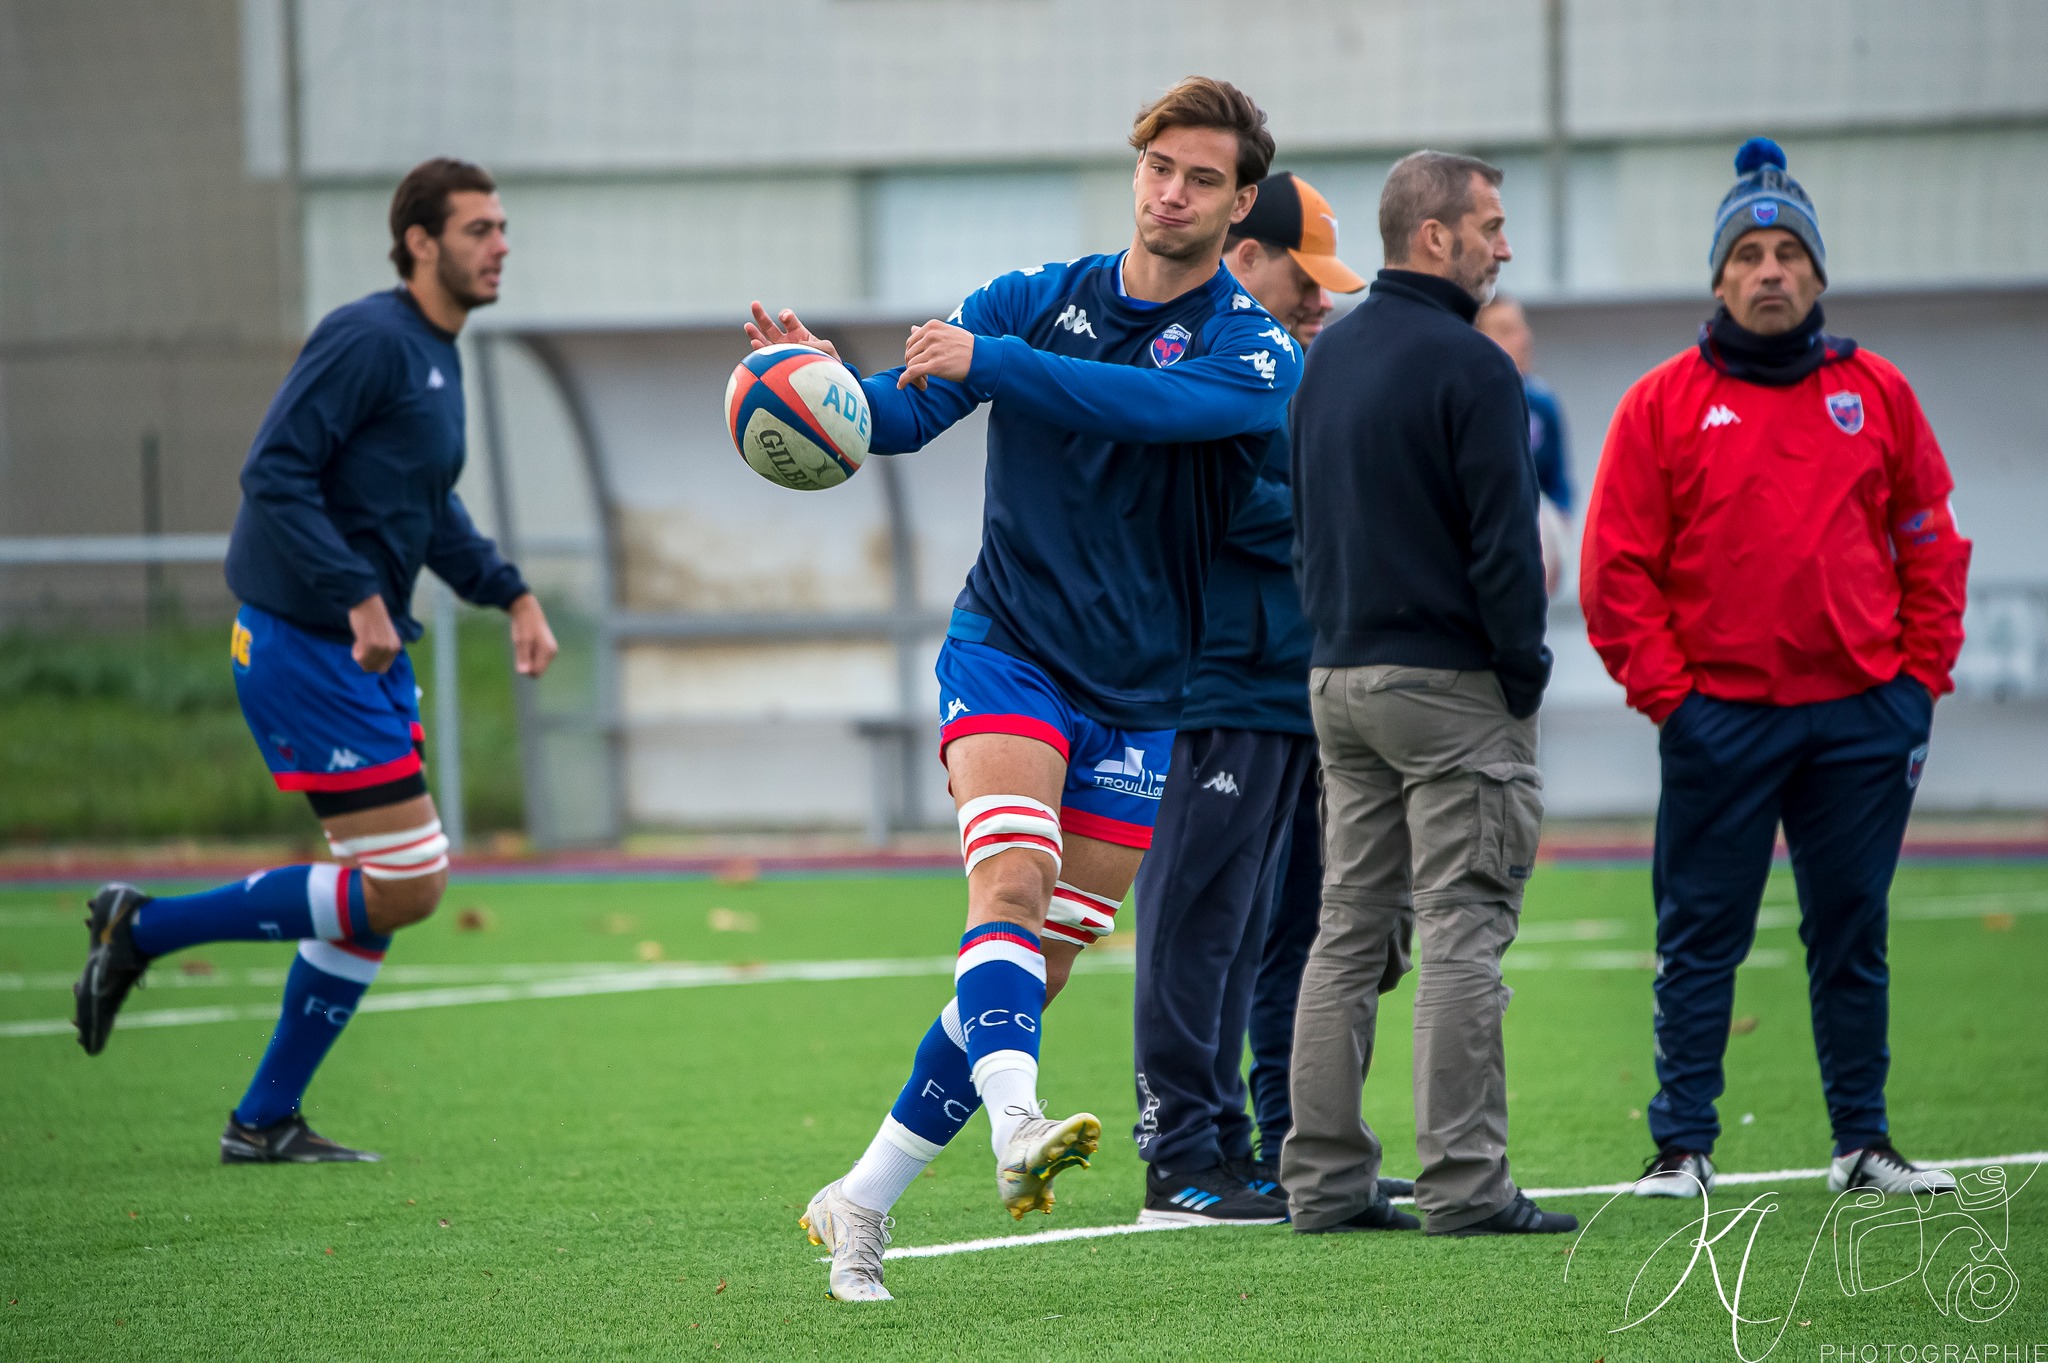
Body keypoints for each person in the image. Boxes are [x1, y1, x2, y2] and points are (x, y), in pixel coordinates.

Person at [746, 76, 1301, 1300]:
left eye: (1202, 179)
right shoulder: (1027, 299)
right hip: (1008, 649)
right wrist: (823, 393)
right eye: (1158, 166)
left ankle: (860, 1201)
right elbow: (899, 419)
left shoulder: (1254, 348)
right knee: (1010, 882)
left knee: (1029, 970)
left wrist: (996, 363)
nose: (1172, 192)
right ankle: (1017, 1126)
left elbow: (1152, 407)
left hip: (1140, 694)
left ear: (1238, 204)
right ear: (1136, 170)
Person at [71, 158, 559, 1162]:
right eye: (478, 228)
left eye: (502, 227)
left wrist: (510, 592)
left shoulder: (436, 353)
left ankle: (263, 1120)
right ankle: (142, 929)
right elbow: (274, 471)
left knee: (377, 889)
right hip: (305, 641)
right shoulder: (368, 337)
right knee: (411, 881)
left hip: (360, 651)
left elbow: (427, 508)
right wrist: (355, 593)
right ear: (419, 242)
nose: (500, 245)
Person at [1581, 138, 1970, 1200]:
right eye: (1747, 255)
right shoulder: (1660, 403)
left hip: (1861, 717)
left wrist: (1915, 684)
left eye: (1787, 254)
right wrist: (1673, 700)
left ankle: (1861, 1142)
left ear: (1816, 272)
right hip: (1720, 718)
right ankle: (1681, 1145)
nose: (1768, 271)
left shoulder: (1876, 392)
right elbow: (1614, 570)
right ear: (1717, 279)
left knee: (1852, 933)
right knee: (1699, 936)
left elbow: (1930, 541)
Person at [1286, 149, 1573, 1237]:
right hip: (1449, 686)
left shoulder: (1328, 356)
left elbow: (1308, 526)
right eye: (1490, 226)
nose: (1505, 246)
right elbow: (1506, 550)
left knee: (1347, 930)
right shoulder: (1475, 367)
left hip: (1337, 677)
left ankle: (1322, 1182)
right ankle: (1464, 1184)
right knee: (1462, 925)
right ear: (1434, 236)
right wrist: (1521, 673)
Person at [1127, 171, 1389, 1227]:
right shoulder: (1208, 357)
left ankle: (1239, 1147)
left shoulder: (1282, 366)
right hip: (1216, 690)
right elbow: (1217, 500)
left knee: (1249, 934)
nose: (1321, 300)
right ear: (1243, 256)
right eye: (1304, 276)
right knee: (1194, 927)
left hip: (1282, 688)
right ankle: (1177, 1157)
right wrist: (1347, 506)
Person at [1476, 295, 1574, 595]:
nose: (1522, 340)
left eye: (1522, 328)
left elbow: (1559, 483)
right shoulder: (1466, 407)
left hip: (1531, 556)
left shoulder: (1541, 403)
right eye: (1506, 331)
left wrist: (1557, 528)